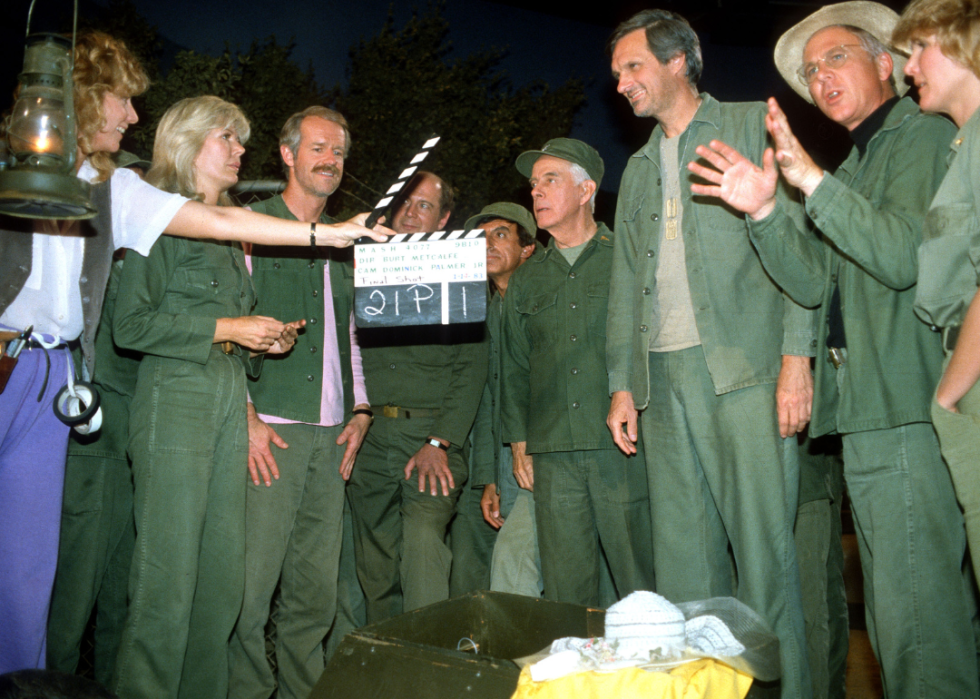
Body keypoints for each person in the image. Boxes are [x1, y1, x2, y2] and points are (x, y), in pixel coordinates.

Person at [0, 31, 385, 675]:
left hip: (80, 381)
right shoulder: (46, 174)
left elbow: (227, 225)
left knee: (201, 582)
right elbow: (134, 323)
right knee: (147, 575)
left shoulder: (119, 190)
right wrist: (234, 323)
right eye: (122, 100)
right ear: (82, 100)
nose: (131, 115)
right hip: (114, 392)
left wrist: (262, 326)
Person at [688, 2, 980, 696]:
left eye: (836, 58)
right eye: (810, 71)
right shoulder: (861, 160)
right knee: (901, 616)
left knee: (917, 622)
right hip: (872, 411)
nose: (820, 78)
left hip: (905, 404)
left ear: (889, 62)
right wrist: (763, 211)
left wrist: (811, 183)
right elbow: (816, 282)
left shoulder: (920, 137)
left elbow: (902, 255)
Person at [605, 10, 814, 697]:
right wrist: (621, 385)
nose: (621, 83)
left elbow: (806, 257)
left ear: (679, 61)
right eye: (615, 73)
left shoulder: (752, 125)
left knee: (766, 568)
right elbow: (623, 288)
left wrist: (796, 358)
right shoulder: (636, 170)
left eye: (633, 66)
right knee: (687, 578)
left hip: (746, 374)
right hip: (662, 385)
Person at [111, 95, 304, 699]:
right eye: (229, 137)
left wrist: (262, 340)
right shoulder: (156, 219)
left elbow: (230, 327)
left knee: (221, 581)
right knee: (166, 579)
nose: (241, 149)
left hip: (224, 396)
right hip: (175, 397)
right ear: (191, 143)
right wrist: (228, 329)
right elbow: (129, 326)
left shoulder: (230, 237)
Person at [227, 106, 371, 699]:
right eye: (317, 148)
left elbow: (358, 334)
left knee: (315, 597)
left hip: (332, 436)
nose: (330, 161)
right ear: (286, 154)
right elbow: (224, 332)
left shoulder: (348, 239)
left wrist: (361, 411)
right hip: (272, 436)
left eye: (338, 152)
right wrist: (247, 419)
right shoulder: (246, 227)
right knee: (250, 593)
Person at [501, 138, 654, 607]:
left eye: (550, 180)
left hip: (621, 450)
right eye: (533, 184)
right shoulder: (527, 276)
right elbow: (513, 365)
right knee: (568, 595)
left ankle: (648, 675)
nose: (537, 193)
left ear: (586, 190)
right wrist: (519, 441)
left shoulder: (626, 258)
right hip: (553, 455)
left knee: (638, 582)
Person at [348, 172, 489, 622]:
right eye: (406, 201)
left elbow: (472, 368)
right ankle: (386, 663)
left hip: (430, 437)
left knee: (424, 545)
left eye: (424, 205)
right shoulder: (361, 265)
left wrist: (439, 442)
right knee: (375, 562)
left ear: (444, 218)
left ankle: (427, 662)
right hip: (370, 434)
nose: (410, 212)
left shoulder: (460, 275)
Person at [45, 152, 150, 685]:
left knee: (122, 595)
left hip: (138, 434)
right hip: (101, 425)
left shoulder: (147, 247)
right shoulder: (98, 250)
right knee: (75, 591)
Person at [896, 0, 980, 591]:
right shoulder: (964, 143)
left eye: (919, 49)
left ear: (963, 42)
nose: (909, 69)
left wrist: (948, 396)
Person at [462, 202, 542, 598]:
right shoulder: (488, 309)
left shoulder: (543, 300)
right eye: (480, 237)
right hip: (510, 468)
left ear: (527, 248)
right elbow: (489, 398)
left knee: (517, 566)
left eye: (500, 234)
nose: (487, 244)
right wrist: (489, 478)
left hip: (547, 459)